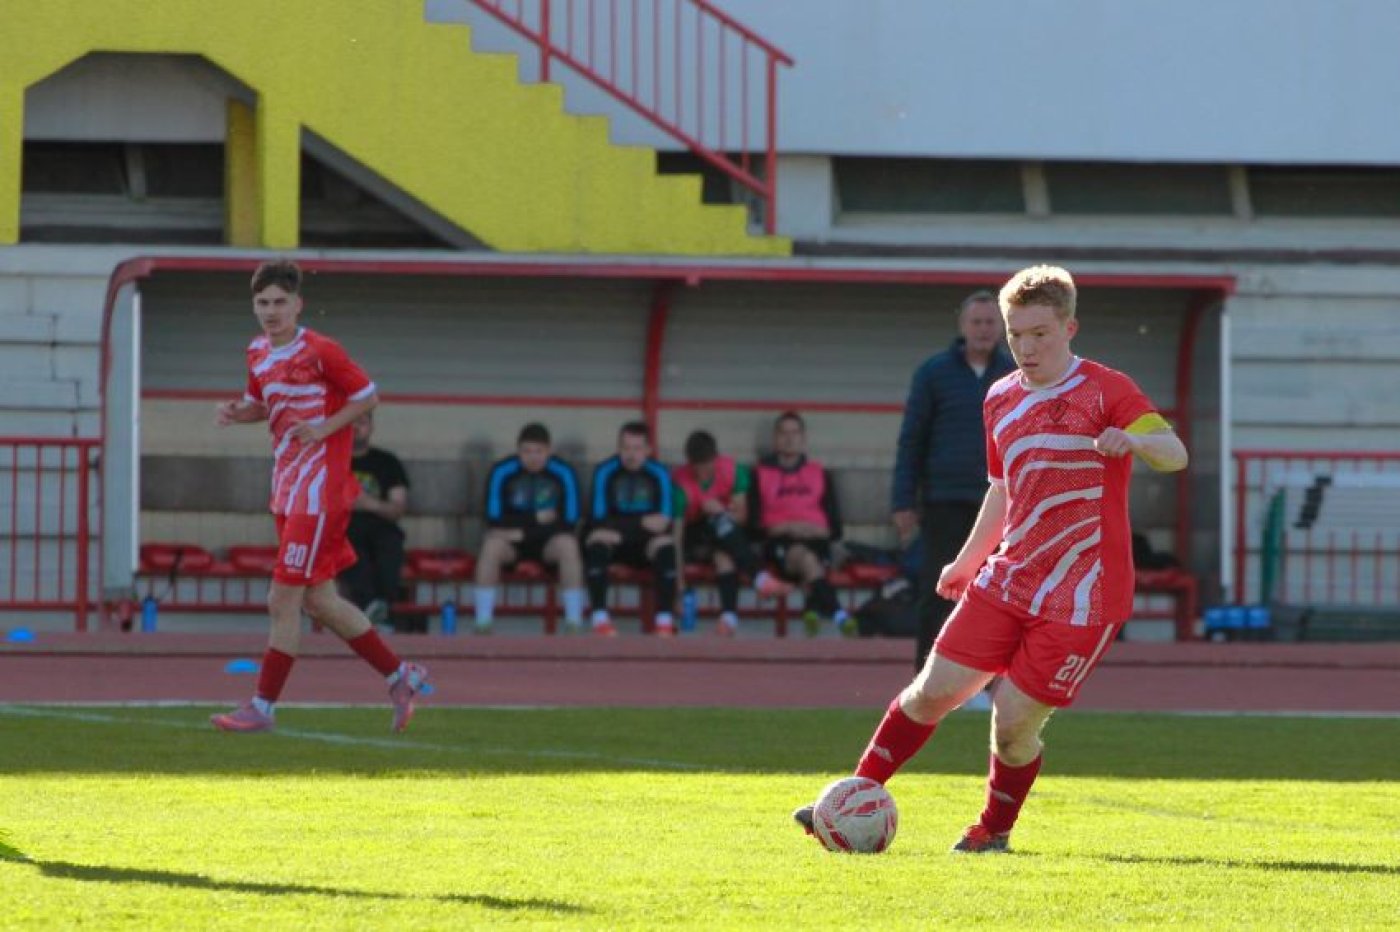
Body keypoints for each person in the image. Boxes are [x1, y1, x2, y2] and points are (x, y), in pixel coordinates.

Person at [793, 265, 1188, 852]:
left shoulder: (1108, 390)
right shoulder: (1000, 397)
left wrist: (1134, 440)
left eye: (1040, 334)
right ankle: (851, 797)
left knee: (1011, 724)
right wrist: (966, 561)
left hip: (1084, 594)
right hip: (1008, 578)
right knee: (930, 692)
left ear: (1069, 328)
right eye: (1016, 334)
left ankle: (993, 830)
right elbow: (1002, 490)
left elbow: (1174, 452)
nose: (1026, 348)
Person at [210, 260, 429, 733]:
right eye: (263, 302)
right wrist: (237, 413)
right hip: (287, 488)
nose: (271, 311)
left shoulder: (321, 350)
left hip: (319, 492)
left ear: (298, 304)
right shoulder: (256, 351)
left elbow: (367, 396)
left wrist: (324, 428)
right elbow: (263, 405)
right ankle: (400, 675)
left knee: (281, 598)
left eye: (280, 302)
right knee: (320, 601)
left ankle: (263, 707)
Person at [892, 290, 1016, 671]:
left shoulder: (1016, 375)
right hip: (944, 500)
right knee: (938, 591)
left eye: (990, 322)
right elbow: (912, 440)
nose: (983, 329)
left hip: (1002, 504)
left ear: (1002, 328)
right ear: (963, 326)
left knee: (995, 596)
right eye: (976, 322)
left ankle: (984, 681)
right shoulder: (933, 373)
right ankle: (926, 680)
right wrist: (903, 501)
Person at [672, 430, 788, 637]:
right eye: (700, 469)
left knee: (724, 555)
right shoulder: (680, 485)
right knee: (718, 522)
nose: (705, 473)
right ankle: (760, 579)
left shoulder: (732, 470)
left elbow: (742, 517)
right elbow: (676, 538)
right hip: (694, 539)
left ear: (716, 458)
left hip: (727, 536)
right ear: (690, 465)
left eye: (709, 467)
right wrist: (679, 584)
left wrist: (721, 510)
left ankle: (728, 619)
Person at [474, 423, 586, 634]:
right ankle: (482, 622)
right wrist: (536, 519)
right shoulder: (502, 471)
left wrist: (521, 531)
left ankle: (574, 622)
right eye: (526, 451)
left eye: (539, 451)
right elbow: (493, 520)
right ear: (518, 450)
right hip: (512, 547)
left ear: (549, 451)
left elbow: (569, 522)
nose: (533, 457)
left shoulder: (564, 472)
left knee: (568, 545)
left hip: (548, 546)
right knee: (491, 545)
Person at [749, 412, 853, 637]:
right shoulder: (760, 474)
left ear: (803, 439)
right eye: (783, 433)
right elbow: (753, 527)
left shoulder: (820, 473)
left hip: (817, 540)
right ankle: (839, 615)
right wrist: (786, 527)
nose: (789, 439)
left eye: (795, 433)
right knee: (807, 560)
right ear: (775, 439)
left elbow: (836, 529)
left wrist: (817, 530)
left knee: (811, 561)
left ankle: (814, 613)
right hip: (781, 543)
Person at [584, 421, 678, 637]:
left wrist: (623, 527)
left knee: (665, 544)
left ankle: (664, 622)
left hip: (643, 544)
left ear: (648, 450)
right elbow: (598, 520)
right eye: (625, 448)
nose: (631, 454)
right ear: (618, 448)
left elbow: (664, 522)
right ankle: (600, 620)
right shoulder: (604, 471)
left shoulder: (659, 473)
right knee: (596, 541)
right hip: (615, 544)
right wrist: (642, 522)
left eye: (637, 448)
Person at [339, 411, 411, 629]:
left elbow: (397, 508)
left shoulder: (387, 462)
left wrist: (367, 503)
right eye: (350, 422)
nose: (356, 428)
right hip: (343, 527)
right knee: (349, 550)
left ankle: (381, 609)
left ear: (371, 427)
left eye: (362, 422)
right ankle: (375, 611)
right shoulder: (330, 460)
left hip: (381, 526)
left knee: (391, 545)